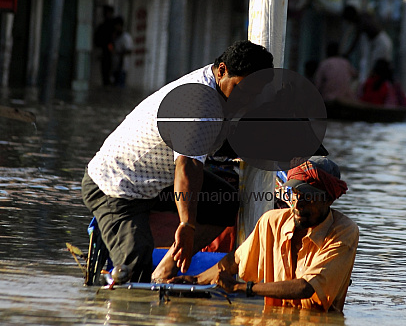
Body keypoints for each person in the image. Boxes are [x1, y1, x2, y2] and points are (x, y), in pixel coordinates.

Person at [82, 40, 274, 284]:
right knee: (134, 266)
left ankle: (164, 271)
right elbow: (188, 166)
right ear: (222, 70)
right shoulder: (198, 102)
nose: (246, 100)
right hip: (118, 185)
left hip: (157, 179)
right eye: (241, 89)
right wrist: (187, 224)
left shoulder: (223, 90)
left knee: (224, 204)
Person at [190, 156, 359, 312]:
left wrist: (240, 288)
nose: (297, 204)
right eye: (295, 194)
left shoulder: (344, 231)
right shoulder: (271, 222)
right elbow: (235, 260)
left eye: (308, 198)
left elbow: (305, 288)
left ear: (328, 199)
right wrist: (196, 280)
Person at [342, 4, 393, 80]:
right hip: (383, 41)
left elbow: (355, 40)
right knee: (379, 67)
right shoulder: (364, 16)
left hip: (381, 43)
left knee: (376, 69)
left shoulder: (361, 21)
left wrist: (347, 53)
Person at [93, 4, 116, 86]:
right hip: (106, 52)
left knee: (108, 73)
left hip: (109, 53)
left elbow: (111, 40)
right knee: (105, 74)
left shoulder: (111, 25)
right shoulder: (105, 25)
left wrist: (111, 49)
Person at [112, 16, 134, 87]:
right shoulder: (116, 37)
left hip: (122, 67)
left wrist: (118, 53)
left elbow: (129, 51)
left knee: (120, 85)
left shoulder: (126, 37)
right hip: (115, 66)